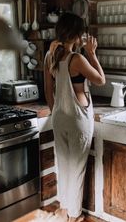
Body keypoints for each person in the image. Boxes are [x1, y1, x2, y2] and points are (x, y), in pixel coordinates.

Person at [44, 12, 105, 222]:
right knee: (77, 168)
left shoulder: (50, 56)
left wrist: (56, 112)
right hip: (78, 119)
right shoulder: (77, 59)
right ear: (76, 35)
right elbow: (100, 80)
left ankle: (64, 210)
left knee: (65, 165)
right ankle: (74, 215)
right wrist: (92, 53)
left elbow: (48, 90)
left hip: (59, 117)